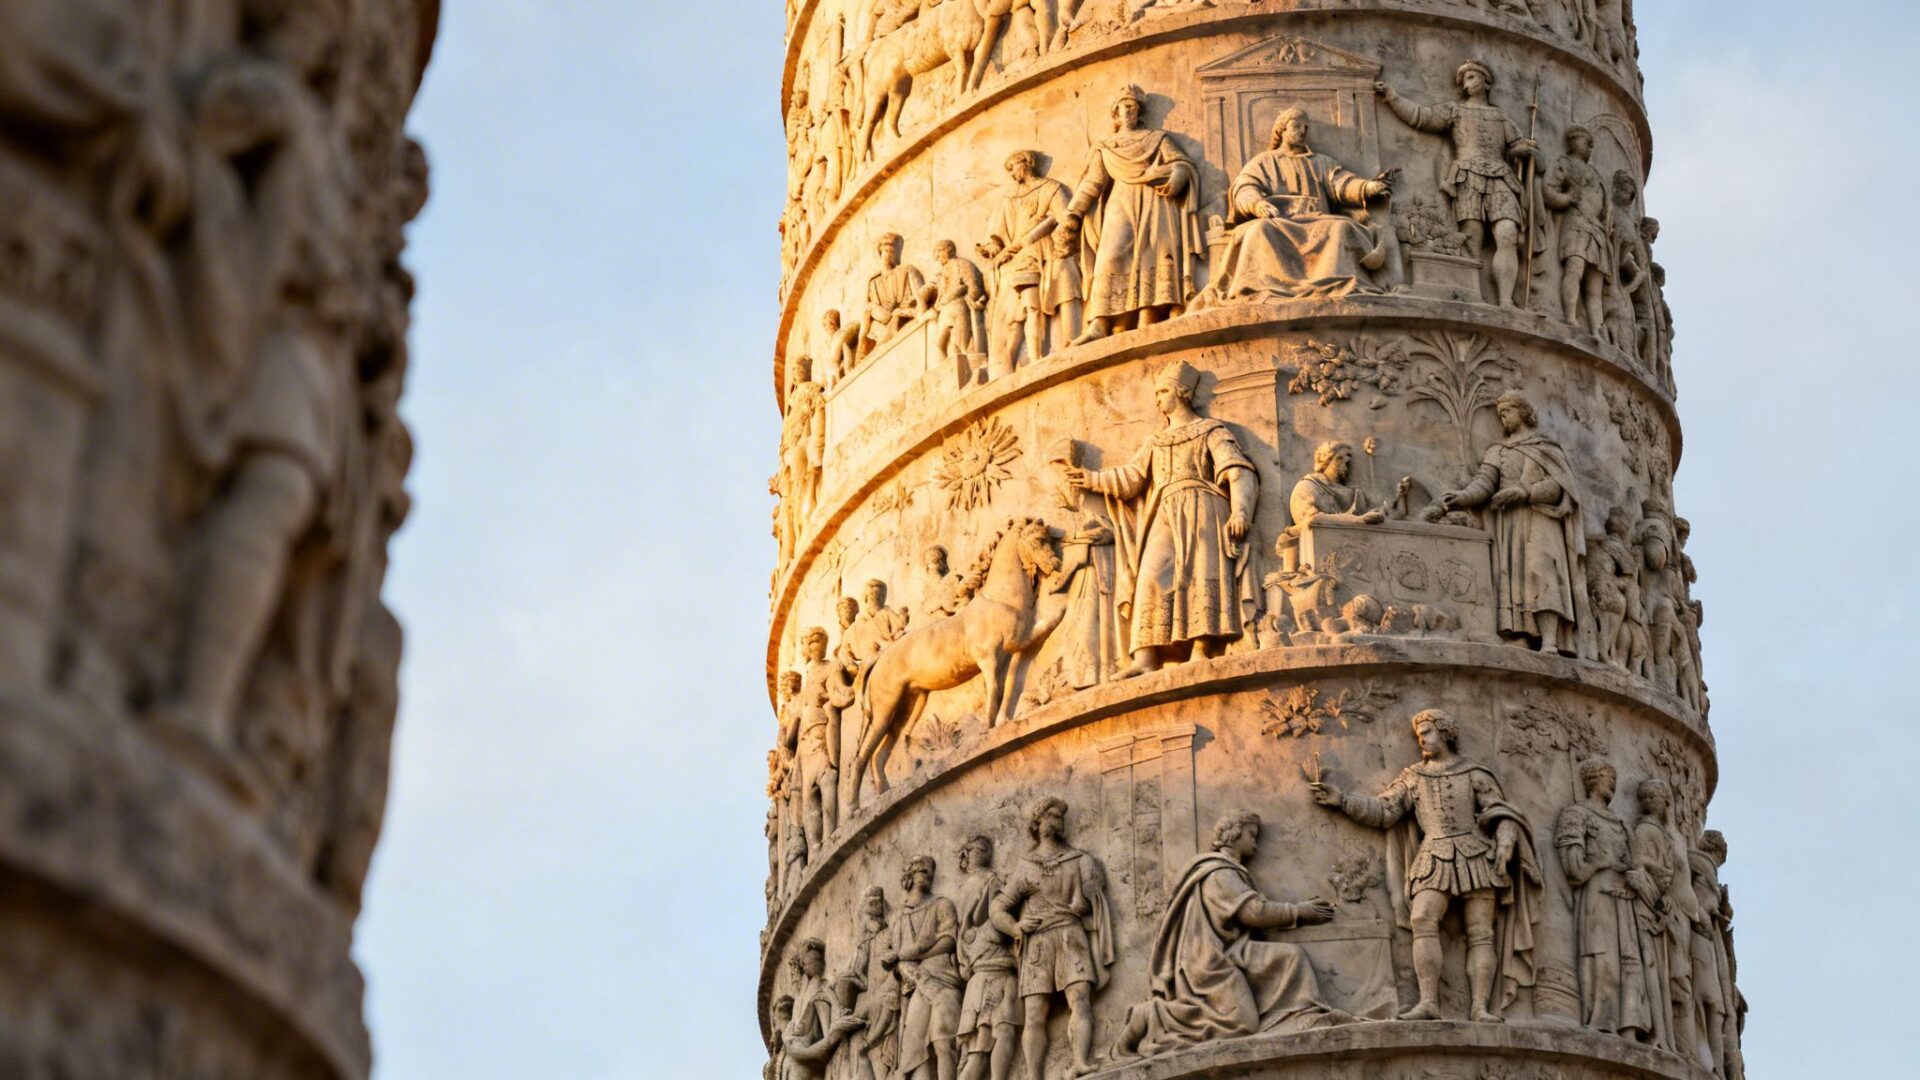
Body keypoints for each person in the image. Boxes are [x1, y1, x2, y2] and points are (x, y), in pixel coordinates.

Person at [1309, 709, 1541, 1022]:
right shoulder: (1414, 777)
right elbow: (1384, 811)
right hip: (1433, 855)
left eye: (1428, 733)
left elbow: (1500, 812)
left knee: (1480, 932)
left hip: (1475, 854)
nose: (1422, 740)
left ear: (1445, 733)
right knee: (1422, 919)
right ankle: (1429, 1002)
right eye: (1419, 736)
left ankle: (1479, 1008)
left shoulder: (1474, 773)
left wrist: (1505, 842)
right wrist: (1343, 800)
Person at [1063, 362, 1258, 676]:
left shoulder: (1211, 431)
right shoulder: (1155, 441)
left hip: (1202, 508)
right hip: (1165, 511)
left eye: (1163, 391)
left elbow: (1237, 471)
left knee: (1200, 575)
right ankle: (1145, 658)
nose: (1158, 399)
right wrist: (1092, 479)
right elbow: (1131, 478)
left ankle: (1201, 648)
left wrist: (1240, 512)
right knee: (1150, 576)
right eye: (1156, 392)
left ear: (1183, 392)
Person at [1114, 811, 1350, 1058]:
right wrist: (1299, 912)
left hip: (1234, 948)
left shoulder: (1229, 871)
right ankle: (1152, 1015)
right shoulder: (1219, 872)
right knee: (1242, 1024)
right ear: (1234, 834)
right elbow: (1254, 912)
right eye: (1251, 834)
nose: (1255, 842)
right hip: (1209, 958)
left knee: (1291, 956)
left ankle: (1302, 1015)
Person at [1377, 60, 1539, 307]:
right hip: (1468, 178)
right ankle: (1476, 295)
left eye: (1472, 77)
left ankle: (1505, 301)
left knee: (1507, 233)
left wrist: (1524, 150)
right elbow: (1422, 117)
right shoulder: (1456, 111)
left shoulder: (1500, 117)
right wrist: (1393, 96)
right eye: (1464, 80)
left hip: (1500, 177)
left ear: (1487, 82)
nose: (1466, 84)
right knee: (1472, 237)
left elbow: (1515, 146)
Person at [1438, 391, 1585, 654]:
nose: (1503, 418)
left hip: (1542, 517)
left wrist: (1525, 492)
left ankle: (1550, 640)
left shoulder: (1545, 447)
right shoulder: (1498, 451)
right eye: (1500, 415)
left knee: (1541, 570)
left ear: (1523, 411)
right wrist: (1461, 498)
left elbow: (1559, 488)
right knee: (1514, 578)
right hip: (1510, 523)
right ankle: (1521, 635)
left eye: (1507, 412)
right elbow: (1484, 484)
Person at [1199, 107, 1396, 304]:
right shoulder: (1263, 162)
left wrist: (1368, 187)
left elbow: (1342, 184)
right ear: (1281, 130)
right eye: (1296, 126)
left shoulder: (1321, 162)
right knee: (1259, 230)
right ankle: (1269, 285)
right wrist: (1257, 204)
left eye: (1305, 128)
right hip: (1280, 222)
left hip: (1318, 221)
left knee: (1341, 227)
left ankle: (1335, 284)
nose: (1302, 131)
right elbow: (1244, 188)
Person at [1063, 85, 1202, 344]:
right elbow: (1093, 182)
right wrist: (1073, 213)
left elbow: (1181, 162)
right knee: (1110, 257)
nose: (1130, 111)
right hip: (1121, 201)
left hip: (1155, 202)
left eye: (1134, 107)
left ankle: (1149, 316)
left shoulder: (1156, 138)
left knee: (1154, 254)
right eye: (1125, 107)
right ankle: (1099, 323)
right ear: (1115, 113)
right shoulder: (1106, 147)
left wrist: (1178, 176)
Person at [991, 798, 1113, 1079]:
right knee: (1035, 1012)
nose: (1056, 820)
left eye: (1059, 816)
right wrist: (1016, 927)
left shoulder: (1080, 860)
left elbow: (1095, 896)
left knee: (1080, 998)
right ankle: (1035, 1076)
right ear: (1037, 822)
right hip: (1038, 941)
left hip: (1071, 934)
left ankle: (1080, 1061)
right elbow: (998, 908)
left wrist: (1086, 902)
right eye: (1050, 815)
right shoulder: (1027, 866)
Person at [1555, 759, 1657, 1042]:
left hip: (1624, 898)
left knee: (1630, 961)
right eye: (1606, 776)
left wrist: (1633, 879)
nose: (1612, 781)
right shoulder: (1577, 814)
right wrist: (1601, 863)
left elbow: (1633, 862)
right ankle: (1601, 1021)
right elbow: (1573, 867)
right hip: (1597, 894)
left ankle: (1630, 1027)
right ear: (1591, 780)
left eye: (1613, 776)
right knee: (1602, 958)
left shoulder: (1622, 824)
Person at [978, 150, 1079, 366]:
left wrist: (1049, 230)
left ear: (1028, 163)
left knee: (1047, 298)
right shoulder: (1010, 199)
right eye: (1010, 170)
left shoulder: (1051, 188)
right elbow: (999, 234)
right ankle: (1022, 357)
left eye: (1014, 166)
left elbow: (1066, 219)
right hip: (1020, 258)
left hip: (1047, 252)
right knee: (1025, 306)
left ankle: (1051, 348)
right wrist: (992, 248)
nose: (1013, 174)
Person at [890, 856, 963, 1080]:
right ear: (910, 875)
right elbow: (895, 959)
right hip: (916, 985)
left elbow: (949, 940)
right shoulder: (898, 918)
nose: (928, 875)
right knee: (914, 1050)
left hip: (943, 978)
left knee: (943, 1039)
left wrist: (918, 954)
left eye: (931, 872)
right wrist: (903, 967)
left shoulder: (942, 904)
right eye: (922, 870)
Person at [955, 837, 1020, 1080]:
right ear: (967, 853)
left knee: (990, 1041)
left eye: (988, 849)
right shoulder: (989, 881)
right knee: (984, 1045)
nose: (987, 853)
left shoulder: (979, 884)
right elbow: (994, 918)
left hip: (986, 970)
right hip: (990, 973)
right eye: (980, 849)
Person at [1543, 125, 1612, 335]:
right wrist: (1567, 198)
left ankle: (1597, 330)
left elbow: (1604, 204)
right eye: (1585, 140)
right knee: (1575, 270)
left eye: (1591, 143)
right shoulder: (1564, 163)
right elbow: (1548, 190)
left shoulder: (1596, 174)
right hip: (1577, 223)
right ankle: (1570, 317)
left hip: (1597, 230)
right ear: (1572, 142)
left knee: (1595, 285)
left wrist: (1607, 215)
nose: (1590, 145)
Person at [863, 232, 926, 354]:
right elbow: (868, 308)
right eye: (886, 251)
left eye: (892, 252)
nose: (889, 255)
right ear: (880, 254)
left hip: (905, 315)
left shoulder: (908, 271)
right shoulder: (873, 281)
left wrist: (903, 311)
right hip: (881, 324)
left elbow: (921, 297)